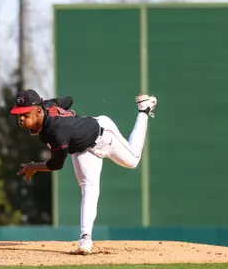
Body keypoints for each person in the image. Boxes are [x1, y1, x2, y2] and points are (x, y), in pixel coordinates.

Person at [10, 89, 157, 254]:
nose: (21, 118)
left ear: (38, 111)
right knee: (89, 188)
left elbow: (56, 164)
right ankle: (85, 238)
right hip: (81, 148)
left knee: (133, 160)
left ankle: (143, 110)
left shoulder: (57, 132)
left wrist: (33, 167)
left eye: (25, 113)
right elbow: (68, 100)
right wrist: (50, 105)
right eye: (19, 114)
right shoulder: (46, 109)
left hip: (103, 135)